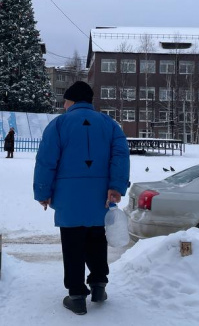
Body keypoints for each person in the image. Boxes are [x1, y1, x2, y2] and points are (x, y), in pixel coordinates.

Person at [33, 81, 130, 316]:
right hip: (101, 197)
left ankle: (76, 295)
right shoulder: (110, 125)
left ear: (72, 101)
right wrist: (116, 186)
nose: (64, 105)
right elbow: (120, 155)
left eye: (65, 101)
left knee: (73, 245)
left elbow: (46, 160)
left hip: (69, 198)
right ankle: (98, 285)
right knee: (97, 241)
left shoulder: (58, 124)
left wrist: (43, 192)